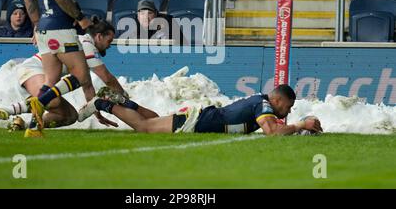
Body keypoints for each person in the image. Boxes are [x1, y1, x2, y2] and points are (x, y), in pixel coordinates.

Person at [0, 19, 158, 130]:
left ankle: (24, 125)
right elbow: (107, 78)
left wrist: (95, 111)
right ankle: (10, 109)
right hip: (32, 70)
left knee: (70, 117)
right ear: (99, 36)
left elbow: (87, 84)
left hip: (45, 76)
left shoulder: (82, 43)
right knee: (53, 100)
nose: (109, 46)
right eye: (109, 41)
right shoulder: (86, 44)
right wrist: (126, 100)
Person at [23, 0, 95, 137]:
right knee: (81, 75)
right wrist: (81, 18)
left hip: (44, 30)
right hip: (62, 28)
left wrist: (37, 25)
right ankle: (39, 102)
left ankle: (34, 128)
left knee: (51, 81)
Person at [78, 84, 323, 136]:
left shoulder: (262, 101)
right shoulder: (264, 105)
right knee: (145, 127)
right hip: (197, 122)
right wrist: (301, 126)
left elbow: (275, 126)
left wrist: (298, 126)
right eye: (288, 108)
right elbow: (272, 132)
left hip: (200, 117)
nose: (287, 113)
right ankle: (104, 104)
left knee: (153, 119)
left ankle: (121, 101)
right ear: (279, 101)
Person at [120, 0, 187, 45]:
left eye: (149, 13)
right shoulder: (132, 24)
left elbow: (183, 44)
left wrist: (165, 31)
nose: (145, 17)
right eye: (142, 13)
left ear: (155, 14)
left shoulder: (168, 22)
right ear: (138, 16)